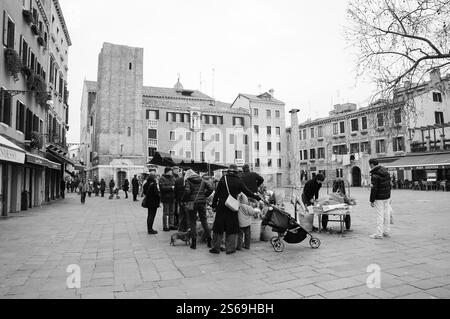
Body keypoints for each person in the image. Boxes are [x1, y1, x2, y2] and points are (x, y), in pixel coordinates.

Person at [210, 164, 260, 255]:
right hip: (232, 206)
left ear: (228, 171)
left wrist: (213, 205)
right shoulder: (238, 181)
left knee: (218, 226)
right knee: (232, 227)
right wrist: (256, 196)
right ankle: (230, 248)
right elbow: (246, 191)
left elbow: (216, 193)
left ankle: (216, 247)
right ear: (236, 171)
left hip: (221, 205)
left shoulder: (223, 179)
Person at [183, 169, 214, 250]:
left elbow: (187, 192)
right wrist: (204, 196)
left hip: (192, 203)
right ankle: (209, 242)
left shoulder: (188, 181)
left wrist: (185, 199)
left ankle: (194, 243)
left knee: (192, 222)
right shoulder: (203, 181)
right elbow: (211, 188)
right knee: (204, 221)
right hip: (202, 203)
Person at [369, 158, 392, 239]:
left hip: (379, 198)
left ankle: (379, 234)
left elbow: (373, 189)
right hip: (387, 196)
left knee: (380, 215)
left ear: (371, 164)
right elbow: (390, 185)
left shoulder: (374, 175)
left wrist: (371, 200)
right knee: (387, 214)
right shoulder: (386, 172)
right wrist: (389, 196)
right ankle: (387, 232)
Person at [159, 167, 176, 231]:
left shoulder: (172, 178)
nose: (171, 172)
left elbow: (175, 185)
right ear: (167, 171)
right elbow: (162, 188)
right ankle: (165, 226)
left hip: (172, 197)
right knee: (166, 213)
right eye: (170, 171)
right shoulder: (162, 178)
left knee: (172, 212)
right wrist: (171, 187)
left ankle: (171, 225)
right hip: (166, 198)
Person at [174, 168, 188, 232]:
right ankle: (187, 228)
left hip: (180, 200)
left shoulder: (177, 180)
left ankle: (181, 228)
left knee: (181, 214)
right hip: (188, 200)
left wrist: (178, 199)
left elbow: (175, 191)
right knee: (188, 214)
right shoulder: (189, 180)